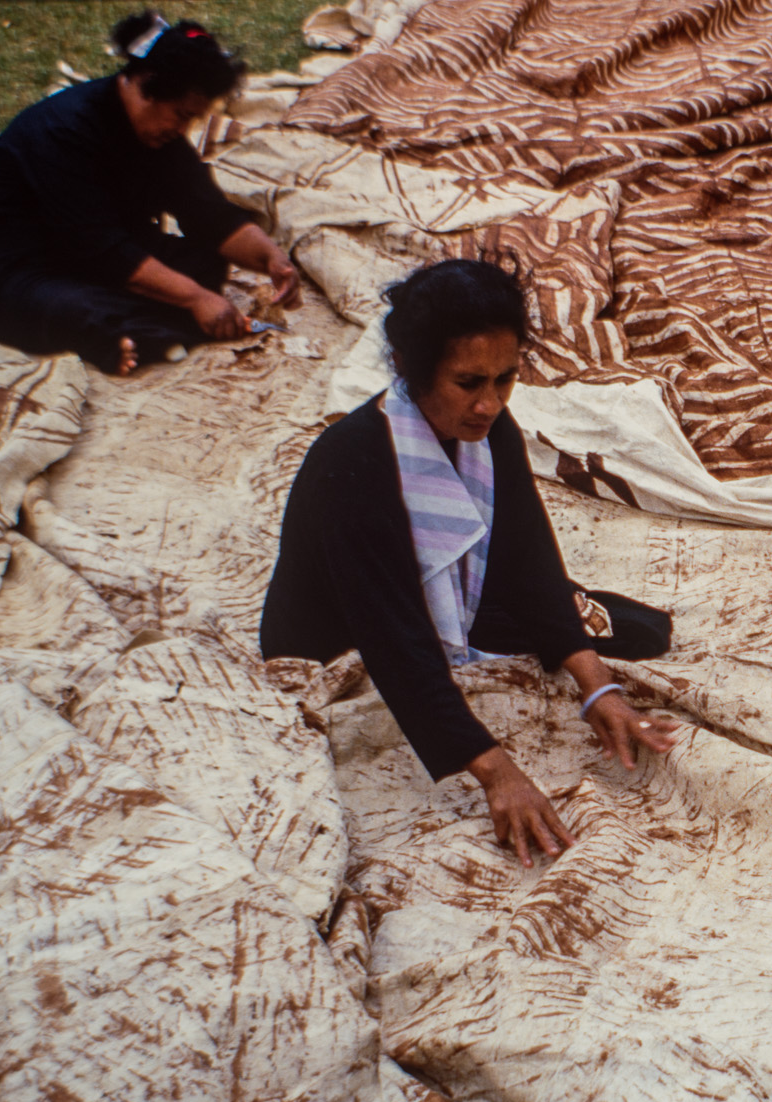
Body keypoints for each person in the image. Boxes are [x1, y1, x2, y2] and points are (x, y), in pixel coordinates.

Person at [260, 258, 678, 864]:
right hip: (344, 635)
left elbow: (525, 553)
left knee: (628, 633)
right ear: (409, 368)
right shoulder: (349, 466)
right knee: (434, 683)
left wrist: (596, 691)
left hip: (435, 596)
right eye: (468, 382)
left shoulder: (490, 430)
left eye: (504, 380)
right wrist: (497, 771)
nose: (488, 404)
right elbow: (395, 641)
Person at [0, 11, 300, 376]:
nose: (183, 128)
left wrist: (271, 258)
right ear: (148, 85)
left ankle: (140, 332)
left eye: (191, 119)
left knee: (204, 265)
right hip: (3, 271)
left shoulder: (160, 134)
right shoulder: (64, 131)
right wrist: (194, 298)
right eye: (180, 114)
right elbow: (102, 250)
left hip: (88, 253)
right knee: (84, 312)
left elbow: (207, 212)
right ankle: (120, 334)